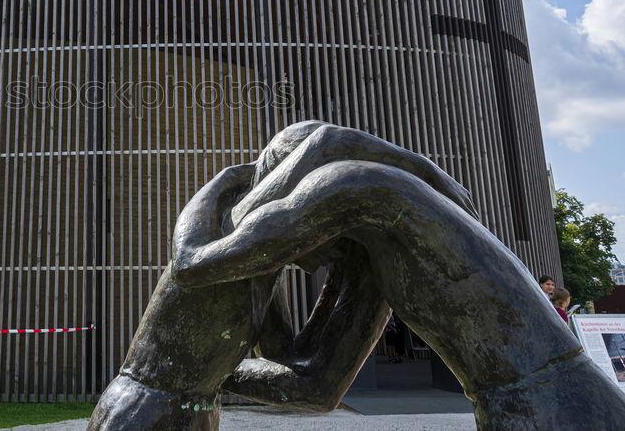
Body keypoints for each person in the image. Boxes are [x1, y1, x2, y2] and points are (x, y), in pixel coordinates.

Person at [170, 122, 625, 430]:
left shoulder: (352, 186)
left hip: (547, 406)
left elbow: (193, 263)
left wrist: (225, 185)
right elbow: (310, 382)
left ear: (296, 184)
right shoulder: (391, 238)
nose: (303, 262)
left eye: (292, 240)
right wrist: (216, 373)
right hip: (538, 398)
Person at [87, 121, 472, 430]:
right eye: (320, 227)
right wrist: (434, 177)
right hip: (141, 411)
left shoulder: (262, 270)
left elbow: (292, 367)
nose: (317, 259)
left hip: (198, 410)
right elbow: (324, 140)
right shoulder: (221, 230)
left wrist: (347, 283)